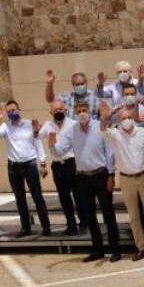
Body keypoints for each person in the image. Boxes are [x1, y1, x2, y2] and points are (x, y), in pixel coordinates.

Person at [49, 101, 120, 262]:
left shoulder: (99, 126)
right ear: (75, 113)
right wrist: (52, 146)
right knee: (89, 217)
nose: (82, 113)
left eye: (84, 110)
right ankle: (98, 250)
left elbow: (110, 152)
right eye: (79, 110)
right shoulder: (72, 130)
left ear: (90, 111)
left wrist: (111, 175)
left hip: (101, 175)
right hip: (82, 177)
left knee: (108, 214)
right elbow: (60, 151)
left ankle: (115, 250)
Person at [99, 101, 144, 260]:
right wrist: (109, 114)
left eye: (129, 117)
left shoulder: (143, 133)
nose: (127, 120)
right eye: (123, 118)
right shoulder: (115, 135)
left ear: (133, 119)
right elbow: (102, 129)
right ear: (119, 121)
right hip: (126, 180)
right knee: (134, 216)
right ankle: (141, 247)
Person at [0, 101, 51, 237]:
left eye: (14, 110)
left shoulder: (30, 125)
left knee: (37, 197)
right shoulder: (6, 127)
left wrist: (42, 163)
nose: (12, 113)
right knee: (20, 199)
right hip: (14, 167)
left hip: (30, 165)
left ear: (19, 109)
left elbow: (38, 145)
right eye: (9, 111)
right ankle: (25, 228)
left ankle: (46, 227)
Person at [38, 100, 83, 235]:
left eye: (60, 109)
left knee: (78, 196)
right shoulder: (47, 125)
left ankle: (84, 222)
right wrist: (35, 131)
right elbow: (36, 137)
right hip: (57, 165)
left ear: (65, 110)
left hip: (72, 163)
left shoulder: (74, 124)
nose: (58, 111)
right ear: (51, 112)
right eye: (55, 109)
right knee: (64, 198)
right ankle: (71, 225)